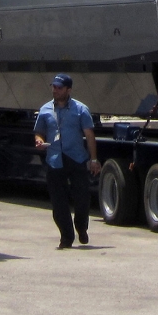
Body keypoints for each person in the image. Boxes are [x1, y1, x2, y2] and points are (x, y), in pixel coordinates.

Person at [33, 74, 101, 248]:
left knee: (82, 198)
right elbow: (39, 131)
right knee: (58, 202)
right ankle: (66, 237)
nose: (55, 90)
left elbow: (89, 135)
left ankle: (81, 228)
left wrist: (94, 159)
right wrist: (39, 140)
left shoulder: (81, 109)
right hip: (54, 159)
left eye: (59, 88)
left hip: (76, 158)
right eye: (54, 87)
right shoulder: (45, 110)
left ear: (68, 90)